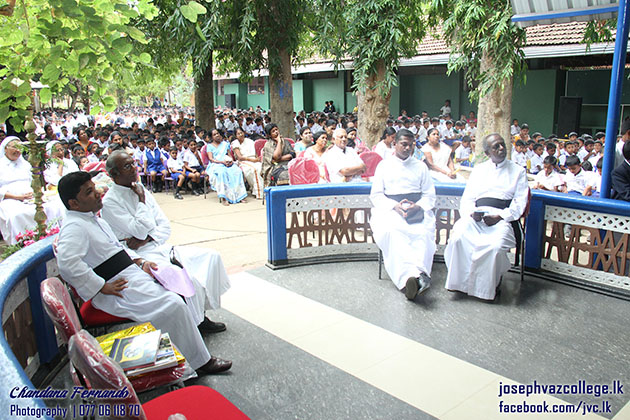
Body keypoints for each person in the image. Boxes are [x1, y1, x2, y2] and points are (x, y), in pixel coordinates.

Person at [56, 171, 231, 375]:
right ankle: (198, 363)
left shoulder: (93, 220)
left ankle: (180, 357)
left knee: (179, 286)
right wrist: (100, 286)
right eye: (89, 192)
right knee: (172, 305)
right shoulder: (74, 227)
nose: (97, 193)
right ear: (74, 203)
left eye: (94, 188)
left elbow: (118, 249)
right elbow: (67, 263)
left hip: (129, 273)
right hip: (115, 287)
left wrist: (140, 262)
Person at [102, 151, 230, 330]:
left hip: (157, 244)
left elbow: (163, 226)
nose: (134, 168)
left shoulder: (141, 189)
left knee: (210, 257)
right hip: (139, 254)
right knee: (186, 276)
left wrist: (146, 237)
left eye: (133, 163)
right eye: (127, 166)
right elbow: (139, 228)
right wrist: (140, 201)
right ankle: (193, 325)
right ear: (114, 174)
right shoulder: (110, 201)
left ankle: (200, 315)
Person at [444, 134, 528, 301]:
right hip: (476, 217)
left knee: (494, 247)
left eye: (502, 145)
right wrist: (471, 213)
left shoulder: (518, 171)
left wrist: (500, 216)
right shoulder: (479, 170)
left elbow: (519, 203)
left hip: (502, 219)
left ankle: (488, 287)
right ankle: (459, 284)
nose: (501, 148)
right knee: (458, 238)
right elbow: (467, 198)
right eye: (496, 147)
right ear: (488, 152)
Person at [370, 129, 435, 300]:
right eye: (403, 144)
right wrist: (394, 206)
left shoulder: (421, 166)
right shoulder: (384, 166)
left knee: (422, 234)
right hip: (390, 210)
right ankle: (412, 280)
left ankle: (418, 276)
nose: (407, 148)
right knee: (394, 233)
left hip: (416, 211)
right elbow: (376, 195)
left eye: (410, 145)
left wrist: (418, 206)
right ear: (394, 144)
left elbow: (429, 195)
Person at [0, 137, 65, 244]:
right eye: (14, 147)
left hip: (31, 197)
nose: (17, 150)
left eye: (19, 147)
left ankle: (52, 236)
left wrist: (35, 193)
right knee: (16, 216)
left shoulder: (25, 164)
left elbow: (34, 181)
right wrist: (18, 197)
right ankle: (23, 241)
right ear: (5, 149)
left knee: (54, 206)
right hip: (9, 199)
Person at [205, 129, 247, 205]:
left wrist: (230, 161)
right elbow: (211, 159)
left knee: (237, 171)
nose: (217, 135)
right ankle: (224, 198)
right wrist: (222, 162)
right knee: (222, 173)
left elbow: (229, 155)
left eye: (217, 133)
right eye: (214, 134)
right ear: (211, 137)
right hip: (216, 164)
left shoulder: (225, 144)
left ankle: (239, 196)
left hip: (227, 163)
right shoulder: (209, 146)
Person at [231, 127, 264, 199]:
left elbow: (255, 154)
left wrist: (257, 159)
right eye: (238, 134)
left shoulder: (250, 141)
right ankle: (259, 192)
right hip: (243, 161)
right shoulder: (235, 143)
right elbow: (240, 157)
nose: (240, 135)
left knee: (261, 167)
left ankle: (258, 190)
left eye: (241, 133)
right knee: (254, 169)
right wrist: (252, 160)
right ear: (236, 136)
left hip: (254, 160)